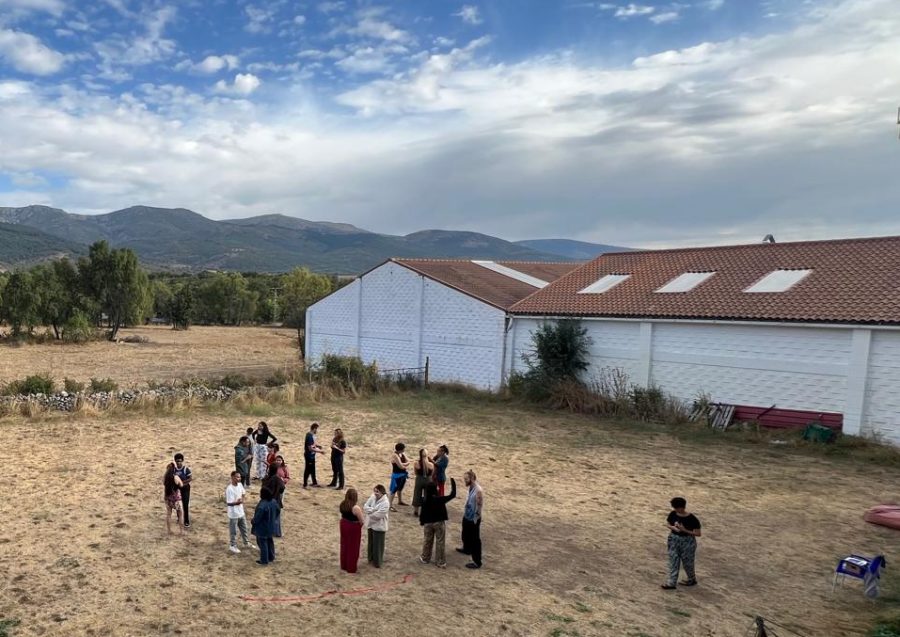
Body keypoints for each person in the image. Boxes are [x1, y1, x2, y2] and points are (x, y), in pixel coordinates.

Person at [661, 497, 702, 590]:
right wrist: (672, 528)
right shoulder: (673, 514)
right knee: (673, 560)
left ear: (681, 507)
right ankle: (671, 583)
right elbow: (668, 523)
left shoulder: (692, 519)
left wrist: (684, 530)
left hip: (687, 541)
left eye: (676, 507)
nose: (675, 509)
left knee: (687, 562)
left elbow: (698, 533)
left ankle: (691, 579)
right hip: (674, 539)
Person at [419, 477, 457, 568]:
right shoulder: (439, 499)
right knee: (440, 542)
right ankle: (440, 561)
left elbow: (422, 512)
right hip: (439, 523)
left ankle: (425, 558)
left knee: (427, 541)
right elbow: (452, 495)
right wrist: (453, 484)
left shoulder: (424, 500)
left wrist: (422, 521)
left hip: (428, 523)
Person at [458, 470, 484, 569]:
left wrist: (476, 518)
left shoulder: (478, 490)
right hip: (467, 516)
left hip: (473, 518)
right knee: (465, 533)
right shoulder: (471, 488)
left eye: (466, 479)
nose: (465, 481)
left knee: (475, 539)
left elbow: (479, 505)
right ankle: (466, 549)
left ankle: (477, 561)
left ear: (472, 479)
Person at [225, 470, 256, 554]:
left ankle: (246, 542)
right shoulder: (229, 489)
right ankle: (232, 545)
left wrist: (242, 499)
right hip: (233, 514)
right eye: (237, 477)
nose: (239, 478)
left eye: (239, 477)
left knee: (244, 528)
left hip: (240, 512)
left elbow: (243, 493)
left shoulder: (240, 485)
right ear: (232, 477)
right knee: (233, 531)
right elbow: (229, 503)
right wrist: (237, 502)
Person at [363, 485, 390, 568]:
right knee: (371, 543)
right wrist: (373, 510)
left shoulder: (386, 503)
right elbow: (365, 507)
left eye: (377, 491)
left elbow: (378, 516)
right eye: (374, 491)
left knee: (378, 545)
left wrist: (370, 511)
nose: (375, 493)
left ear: (382, 492)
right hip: (371, 524)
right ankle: (370, 559)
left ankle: (377, 562)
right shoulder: (372, 496)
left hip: (379, 526)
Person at [251, 487, 280, 565]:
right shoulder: (273, 501)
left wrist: (253, 521)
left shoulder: (262, 505)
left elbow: (257, 518)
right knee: (270, 541)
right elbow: (278, 510)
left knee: (262, 543)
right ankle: (271, 557)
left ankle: (264, 560)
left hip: (262, 527)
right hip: (271, 525)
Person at [338, 488, 364, 573]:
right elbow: (361, 521)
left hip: (344, 524)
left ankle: (344, 565)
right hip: (353, 527)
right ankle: (351, 567)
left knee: (344, 544)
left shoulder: (343, 504)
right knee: (353, 547)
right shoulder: (356, 508)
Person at [262, 464, 285, 537]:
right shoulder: (277, 479)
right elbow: (282, 488)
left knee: (267, 517)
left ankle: (268, 531)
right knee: (276, 518)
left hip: (266, 500)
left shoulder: (266, 478)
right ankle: (277, 533)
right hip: (275, 500)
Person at [388, 443, 410, 512]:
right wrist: (404, 464)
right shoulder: (395, 455)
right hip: (397, 475)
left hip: (402, 475)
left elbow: (408, 461)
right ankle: (390, 505)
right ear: (401, 449)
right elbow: (401, 466)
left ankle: (400, 501)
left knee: (400, 488)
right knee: (393, 490)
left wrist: (402, 464)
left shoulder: (401, 454)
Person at [163, 462, 184, 535]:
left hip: (167, 498)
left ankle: (169, 531)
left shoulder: (165, 479)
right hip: (176, 499)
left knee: (169, 514)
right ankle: (181, 531)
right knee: (180, 514)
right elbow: (181, 485)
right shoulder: (176, 477)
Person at [412, 447, 433, 517]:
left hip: (419, 479)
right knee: (427, 496)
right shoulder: (431, 464)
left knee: (417, 494)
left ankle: (416, 511)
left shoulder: (416, 463)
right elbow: (432, 474)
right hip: (428, 480)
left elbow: (415, 473)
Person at [173, 453, 193, 529]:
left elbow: (190, 478)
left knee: (185, 504)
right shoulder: (174, 470)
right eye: (177, 461)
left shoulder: (185, 469)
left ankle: (186, 521)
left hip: (185, 488)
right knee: (177, 504)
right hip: (177, 489)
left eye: (180, 461)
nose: (179, 463)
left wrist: (183, 483)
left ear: (182, 461)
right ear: (175, 461)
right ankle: (179, 518)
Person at [303, 422, 325, 488]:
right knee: (308, 469)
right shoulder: (309, 436)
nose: (317, 431)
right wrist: (320, 451)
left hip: (312, 455)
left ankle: (314, 482)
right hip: (309, 455)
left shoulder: (312, 435)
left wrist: (318, 446)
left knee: (313, 469)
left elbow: (313, 444)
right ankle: (305, 484)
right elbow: (310, 448)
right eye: (317, 429)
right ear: (314, 428)